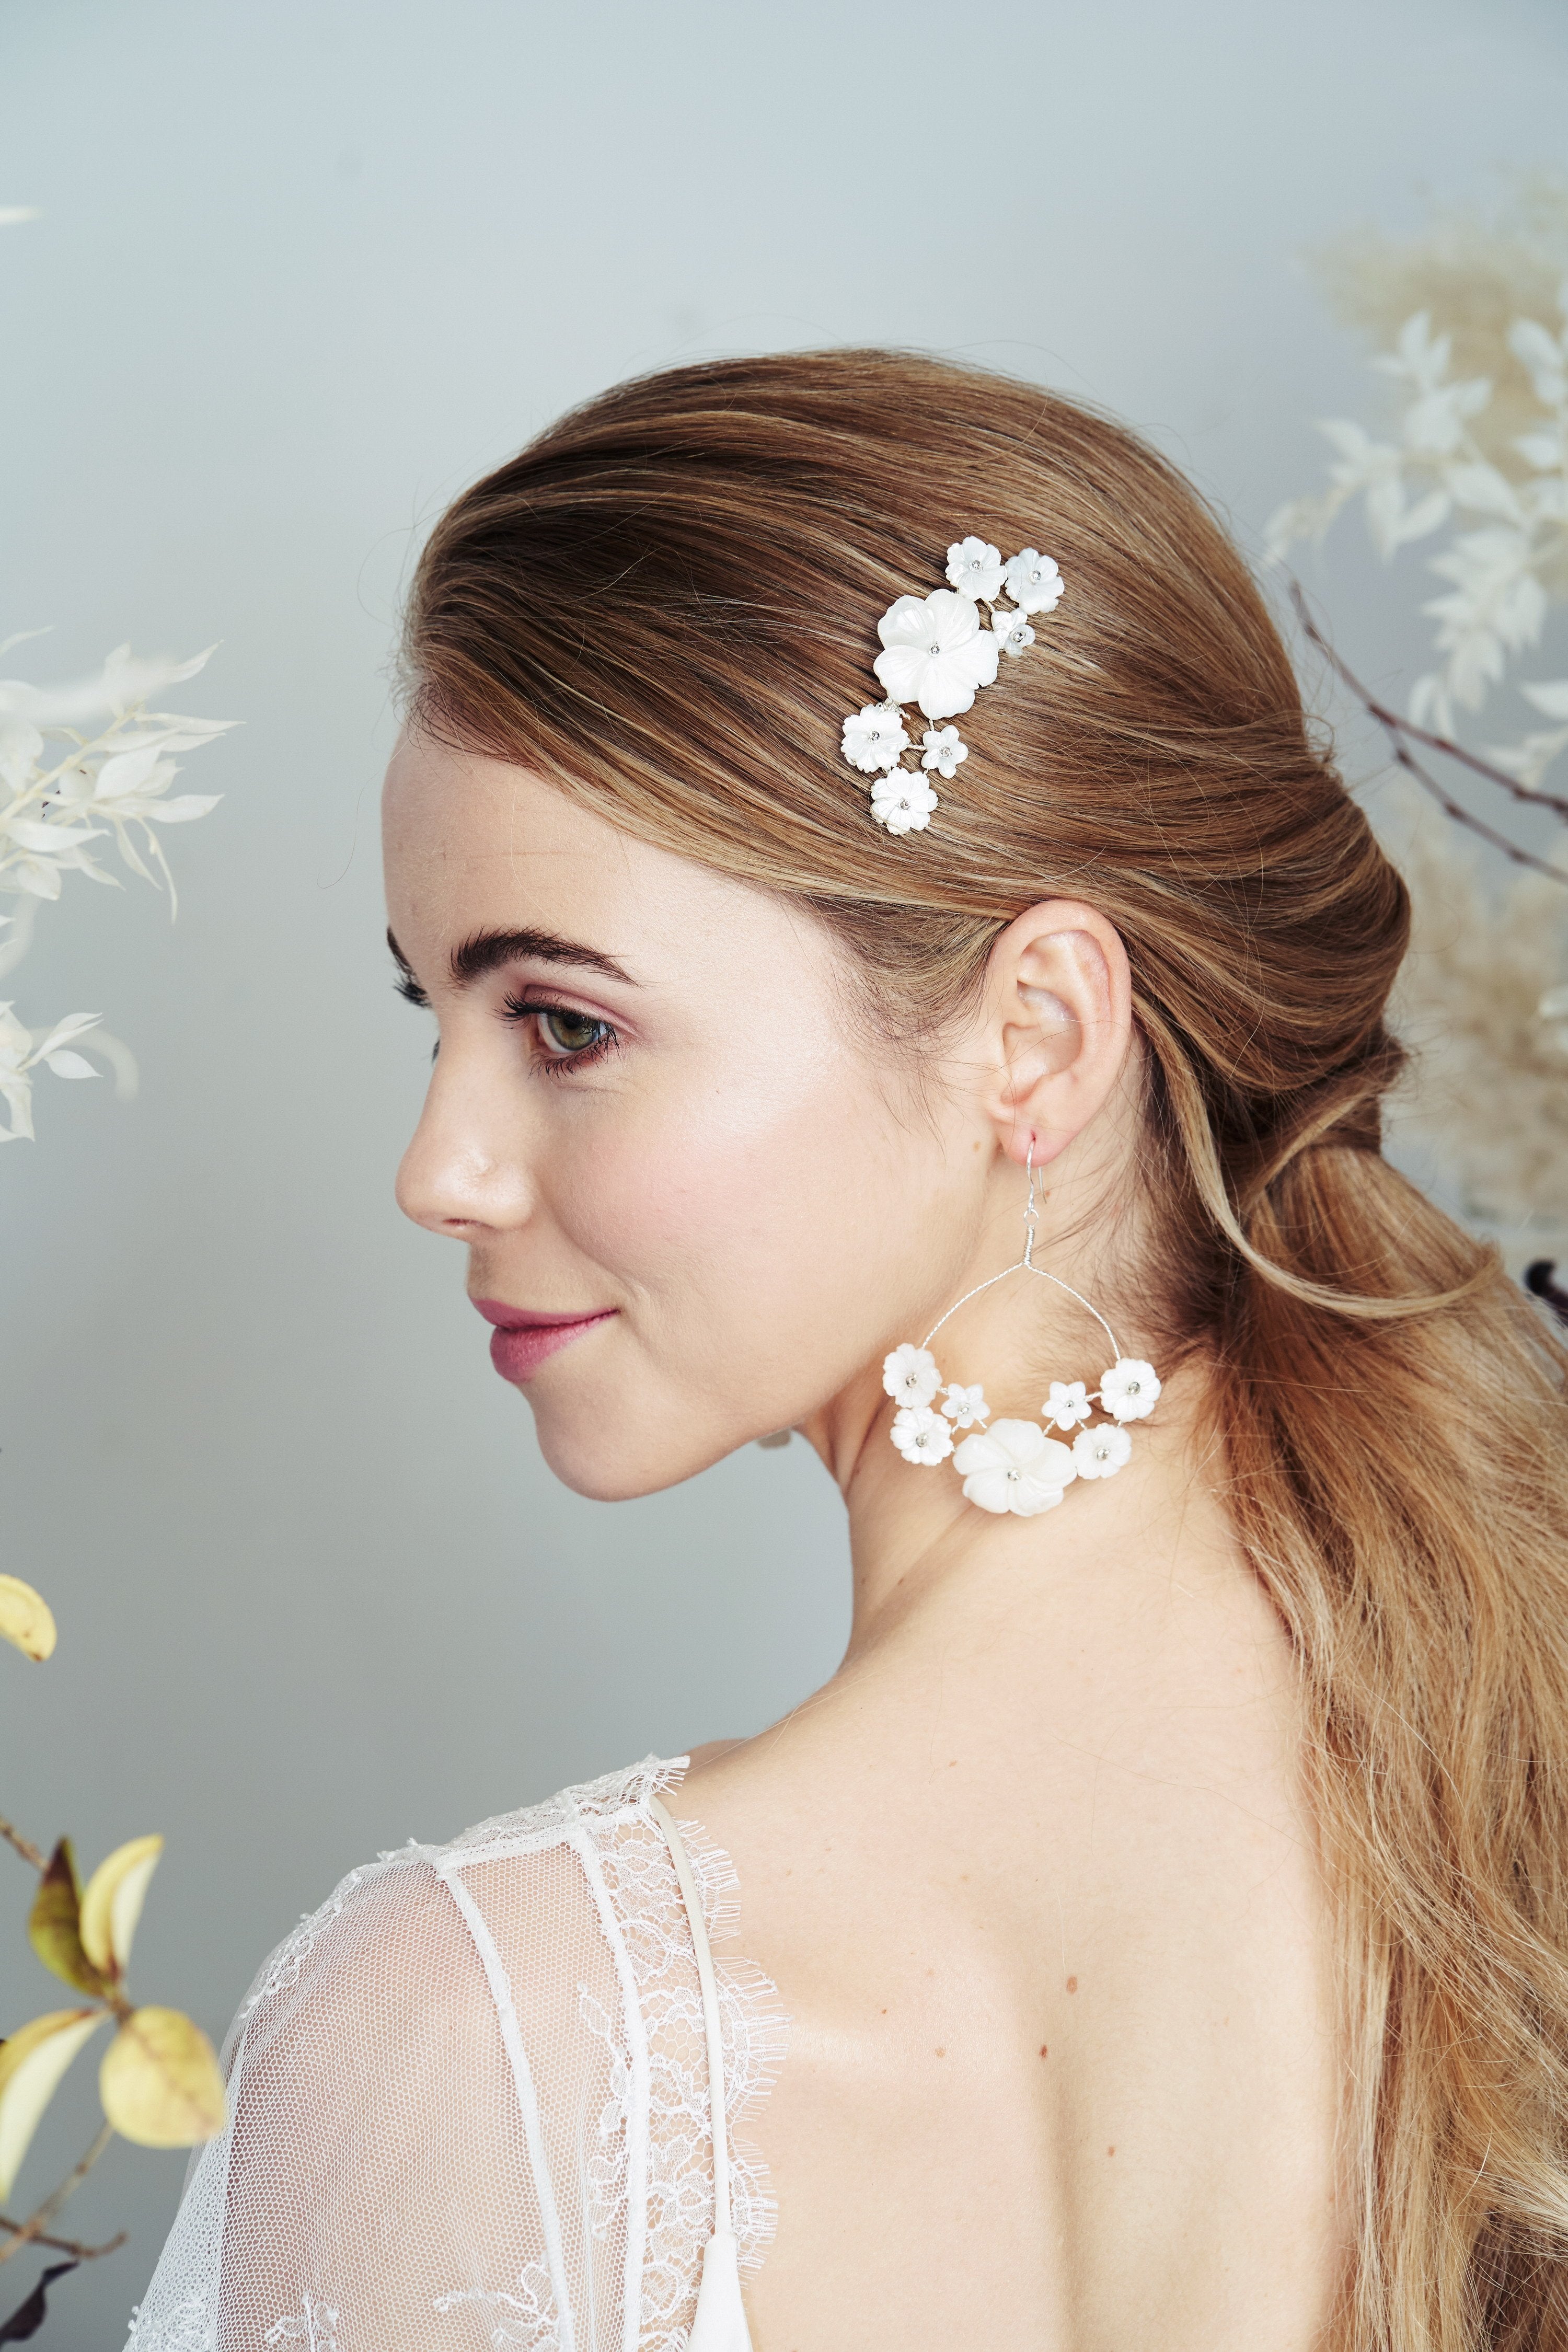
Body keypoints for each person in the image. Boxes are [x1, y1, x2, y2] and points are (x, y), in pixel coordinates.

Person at [127, 352, 1568, 2352]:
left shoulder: (487, 2043)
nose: (436, 1169)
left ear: (1036, 1034)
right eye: (430, 1018)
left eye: (563, 1023)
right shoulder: (1514, 1809)